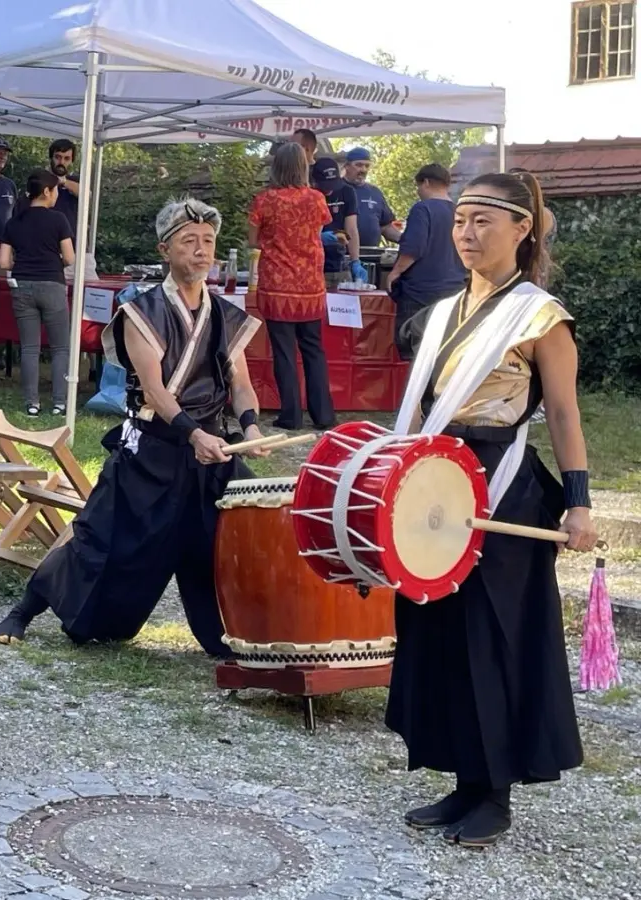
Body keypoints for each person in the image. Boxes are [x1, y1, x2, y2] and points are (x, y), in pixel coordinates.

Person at [387, 171, 596, 848]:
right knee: (440, 629)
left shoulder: (541, 315)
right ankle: (464, 781)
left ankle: (495, 793)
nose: (468, 233)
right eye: (460, 221)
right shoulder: (447, 310)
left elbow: (562, 412)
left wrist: (580, 504)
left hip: (502, 485)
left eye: (483, 221)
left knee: (492, 636)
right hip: (436, 479)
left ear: (522, 229)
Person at [0, 198, 269, 652]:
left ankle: (226, 634)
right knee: (99, 543)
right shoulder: (140, 312)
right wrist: (194, 434)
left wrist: (252, 427)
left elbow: (240, 382)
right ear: (165, 250)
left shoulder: (223, 314)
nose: (201, 251)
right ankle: (26, 607)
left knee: (228, 539)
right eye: (188, 242)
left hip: (211, 451)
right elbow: (156, 392)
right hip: (154, 448)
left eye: (208, 242)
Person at [248, 143, 336, 431]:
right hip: (311, 285)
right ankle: (323, 415)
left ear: (276, 166)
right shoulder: (317, 199)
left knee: (284, 352)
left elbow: (252, 242)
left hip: (277, 285)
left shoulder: (265, 200)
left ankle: (291, 416)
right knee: (314, 350)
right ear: (304, 166)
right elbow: (320, 231)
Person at [0, 170, 76, 416]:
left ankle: (32, 403)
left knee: (29, 348)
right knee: (60, 348)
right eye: (54, 191)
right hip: (52, 284)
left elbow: (3, 262)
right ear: (46, 191)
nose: (56, 196)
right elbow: (70, 257)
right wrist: (54, 262)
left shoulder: (14, 222)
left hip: (22, 285)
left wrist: (21, 263)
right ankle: (59, 402)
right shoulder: (58, 219)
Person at [387, 163, 468, 359]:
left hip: (420, 295)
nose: (418, 192)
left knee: (414, 352)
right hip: (455, 292)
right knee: (446, 353)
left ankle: (418, 390)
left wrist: (394, 273)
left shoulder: (422, 209)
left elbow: (413, 248)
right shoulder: (461, 213)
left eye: (418, 187)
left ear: (426, 182)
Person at [343, 147, 402, 250]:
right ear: (347, 166)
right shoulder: (336, 189)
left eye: (367, 166)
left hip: (371, 255)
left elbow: (385, 226)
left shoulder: (375, 192)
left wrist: (406, 240)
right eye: (359, 165)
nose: (363, 170)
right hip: (341, 256)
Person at [313, 156, 361, 280]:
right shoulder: (309, 196)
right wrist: (319, 237)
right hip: (314, 264)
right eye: (325, 186)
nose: (329, 190)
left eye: (332, 185)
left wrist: (355, 260)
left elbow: (351, 229)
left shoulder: (347, 192)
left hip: (339, 262)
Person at [47, 138, 83, 232]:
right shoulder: (41, 178)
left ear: (72, 161)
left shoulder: (76, 181)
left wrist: (64, 182)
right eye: (58, 157)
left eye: (67, 158)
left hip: (71, 239)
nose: (62, 162)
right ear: (51, 157)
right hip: (46, 238)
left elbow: (88, 196)